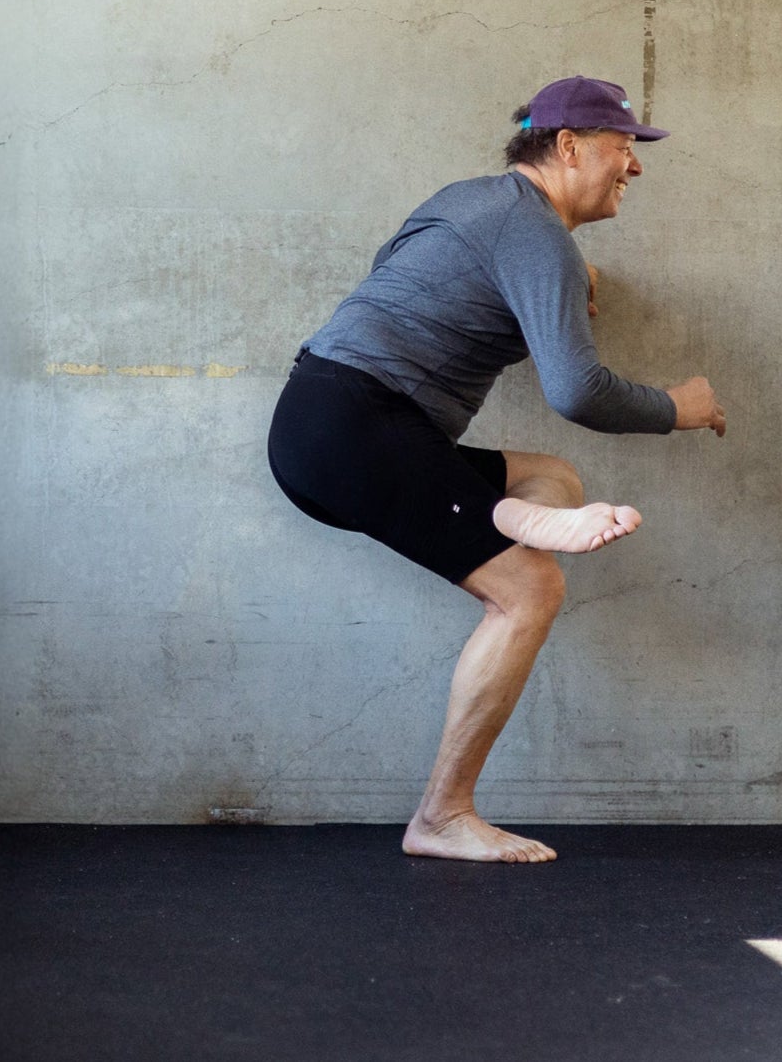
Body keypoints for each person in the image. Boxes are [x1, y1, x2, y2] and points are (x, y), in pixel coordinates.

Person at [267, 76, 726, 863]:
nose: (636, 166)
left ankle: (515, 512)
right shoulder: (539, 235)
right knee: (530, 591)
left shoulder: (469, 200)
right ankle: (442, 817)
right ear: (569, 146)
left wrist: (554, 283)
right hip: (363, 425)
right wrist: (677, 407)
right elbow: (578, 391)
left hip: (323, 418)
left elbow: (397, 271)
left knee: (552, 476)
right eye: (623, 148)